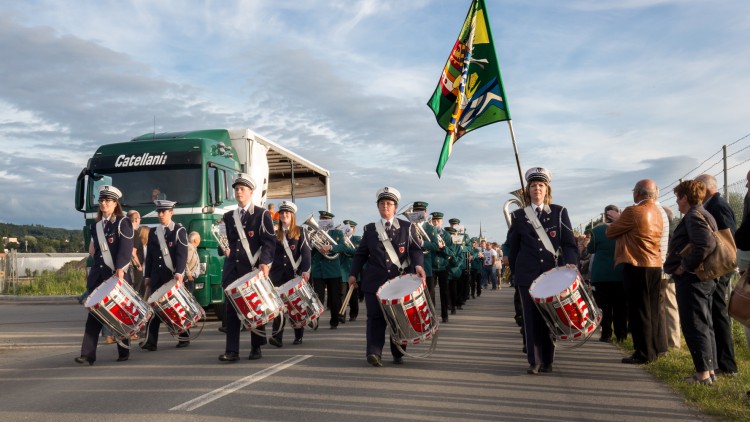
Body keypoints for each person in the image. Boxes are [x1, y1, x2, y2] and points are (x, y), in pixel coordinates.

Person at [507, 167, 578, 374]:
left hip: (551, 274)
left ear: (547, 190)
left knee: (550, 317)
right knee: (530, 318)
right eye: (533, 185)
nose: (537, 188)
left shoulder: (559, 212)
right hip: (527, 273)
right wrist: (515, 274)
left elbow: (569, 243)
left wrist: (571, 262)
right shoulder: (518, 215)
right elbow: (513, 247)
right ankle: (535, 360)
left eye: (541, 185)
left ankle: (548, 359)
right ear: (528, 190)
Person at [348, 186, 425, 367]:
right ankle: (374, 352)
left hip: (400, 282)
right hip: (374, 281)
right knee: (375, 318)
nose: (385, 206)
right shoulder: (369, 229)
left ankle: (398, 352)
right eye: (382, 203)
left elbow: (415, 250)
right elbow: (360, 255)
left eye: (389, 203)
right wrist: (353, 274)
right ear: (378, 207)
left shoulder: (407, 227)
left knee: (399, 318)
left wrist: (418, 265)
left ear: (395, 207)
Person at [663, 180, 718, 385]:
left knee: (695, 325)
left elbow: (706, 244)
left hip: (693, 279)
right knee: (705, 324)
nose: (677, 202)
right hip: (702, 278)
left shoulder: (693, 215)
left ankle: (702, 374)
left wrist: (684, 266)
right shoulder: (703, 213)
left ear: (685, 197)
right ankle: (709, 371)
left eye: (678, 197)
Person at [218, 173, 276, 362]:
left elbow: (269, 242)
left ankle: (256, 346)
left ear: (251, 192)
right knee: (231, 311)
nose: (238, 192)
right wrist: (223, 248)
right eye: (236, 189)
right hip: (232, 270)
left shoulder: (261, 214)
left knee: (254, 308)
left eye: (242, 189)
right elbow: (226, 242)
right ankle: (232, 351)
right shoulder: (228, 217)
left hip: (251, 269)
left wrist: (265, 262)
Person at [606, 179, 664, 364]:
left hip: (637, 263)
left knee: (639, 310)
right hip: (655, 263)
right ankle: (653, 350)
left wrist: (618, 220)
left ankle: (642, 353)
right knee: (652, 310)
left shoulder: (633, 211)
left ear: (637, 193)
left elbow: (610, 233)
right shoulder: (658, 212)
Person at [75, 185, 134, 365]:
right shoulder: (96, 226)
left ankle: (123, 349)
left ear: (115, 203)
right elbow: (96, 254)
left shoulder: (123, 222)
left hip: (116, 275)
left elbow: (126, 248)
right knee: (94, 315)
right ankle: (87, 354)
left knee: (119, 314)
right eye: (101, 200)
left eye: (108, 200)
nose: (103, 203)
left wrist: (120, 269)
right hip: (99, 276)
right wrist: (91, 282)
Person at [695, 173, 738, 376]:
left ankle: (727, 364)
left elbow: (728, 238)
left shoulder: (718, 206)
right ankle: (720, 362)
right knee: (714, 313)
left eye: (698, 187)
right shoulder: (711, 205)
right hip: (717, 268)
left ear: (705, 188)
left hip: (720, 268)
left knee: (718, 313)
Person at [141, 200, 189, 351]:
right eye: (159, 212)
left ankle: (183, 335)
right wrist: (147, 276)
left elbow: (182, 254)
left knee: (175, 307)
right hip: (157, 277)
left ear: (171, 212)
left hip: (172, 276)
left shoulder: (178, 230)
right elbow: (150, 257)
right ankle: (151, 341)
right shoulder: (154, 232)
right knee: (153, 309)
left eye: (164, 212)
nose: (161, 214)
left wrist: (179, 273)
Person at [268, 201, 312, 346]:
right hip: (277, 276)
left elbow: (306, 253)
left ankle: (298, 335)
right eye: (282, 213)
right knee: (278, 308)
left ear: (292, 215)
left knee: (295, 307)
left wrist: (305, 271)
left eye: (287, 213)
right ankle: (277, 337)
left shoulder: (301, 231)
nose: (284, 215)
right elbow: (271, 255)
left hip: (294, 275)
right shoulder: (275, 234)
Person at [588, 205, 626, 343]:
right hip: (620, 272)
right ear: (618, 213)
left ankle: (606, 334)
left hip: (601, 274)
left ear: (604, 215)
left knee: (603, 306)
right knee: (620, 305)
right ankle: (621, 335)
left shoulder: (596, 231)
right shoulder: (624, 228)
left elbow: (591, 249)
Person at [310, 211, 352, 329]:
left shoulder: (337, 233)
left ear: (331, 221)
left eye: (327, 219)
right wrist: (313, 245)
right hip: (319, 270)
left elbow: (343, 246)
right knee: (317, 298)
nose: (324, 221)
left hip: (333, 270)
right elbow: (311, 252)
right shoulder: (315, 233)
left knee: (334, 298)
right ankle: (315, 321)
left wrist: (331, 247)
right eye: (322, 219)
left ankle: (334, 321)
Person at [430, 211, 454, 323]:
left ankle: (445, 315)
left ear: (442, 221)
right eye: (434, 220)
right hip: (432, 266)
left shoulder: (447, 235)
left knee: (444, 291)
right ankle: (432, 316)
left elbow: (451, 252)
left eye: (438, 221)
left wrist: (443, 247)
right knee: (431, 292)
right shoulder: (429, 233)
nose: (436, 223)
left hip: (444, 266)